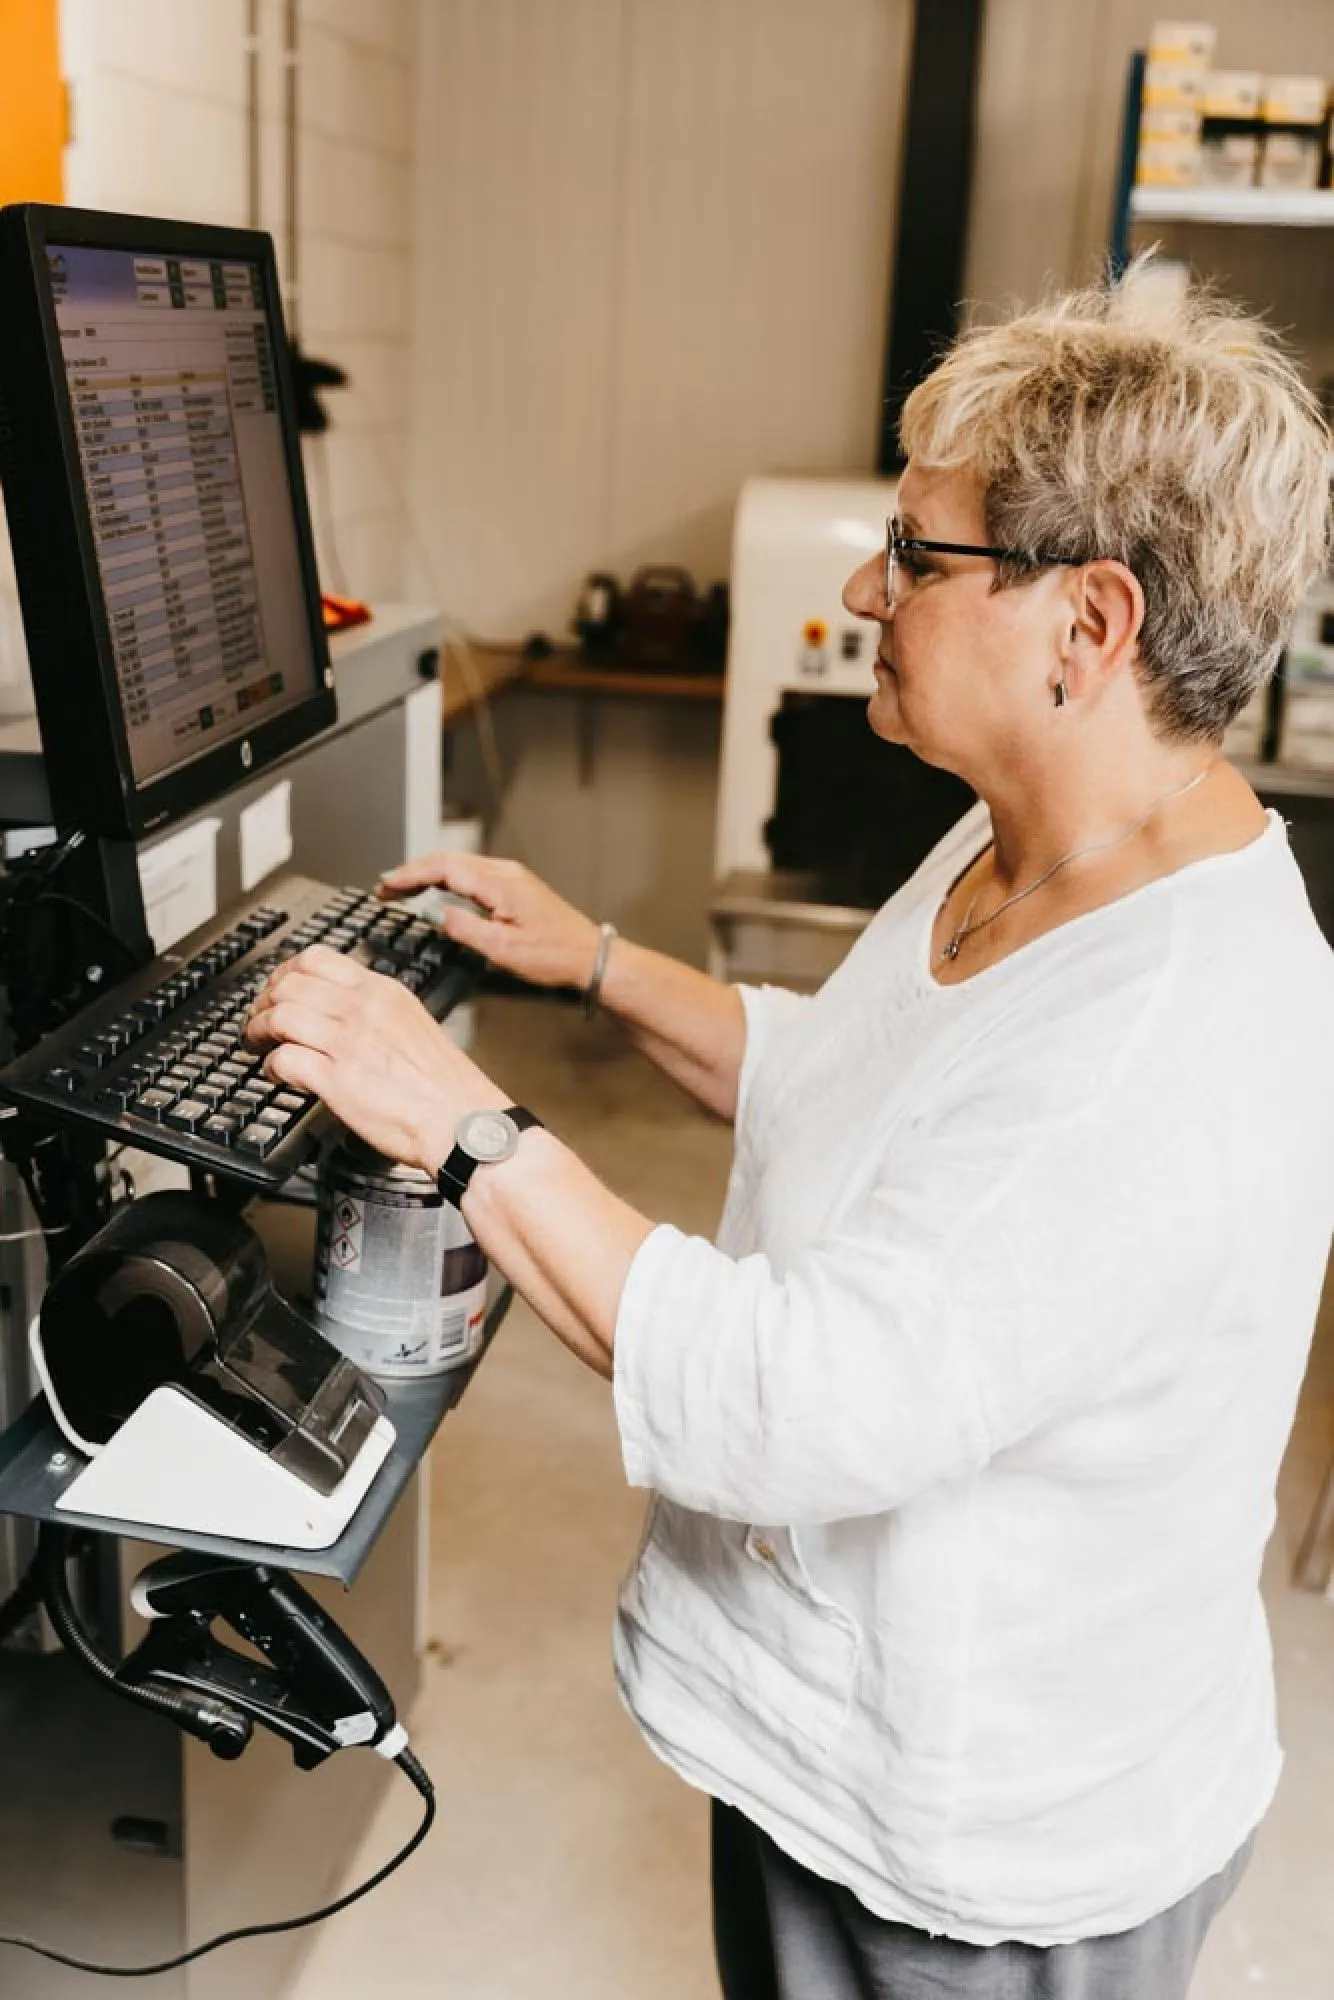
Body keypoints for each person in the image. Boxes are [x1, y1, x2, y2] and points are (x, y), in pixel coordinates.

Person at [246, 263, 1334, 1999]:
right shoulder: (1032, 842)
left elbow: (791, 1400)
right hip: (853, 1751)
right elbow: (859, 1079)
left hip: (976, 1850)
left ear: (1091, 623)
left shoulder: (1156, 1031)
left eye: (918, 554)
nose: (864, 587)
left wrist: (460, 1123)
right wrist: (592, 963)